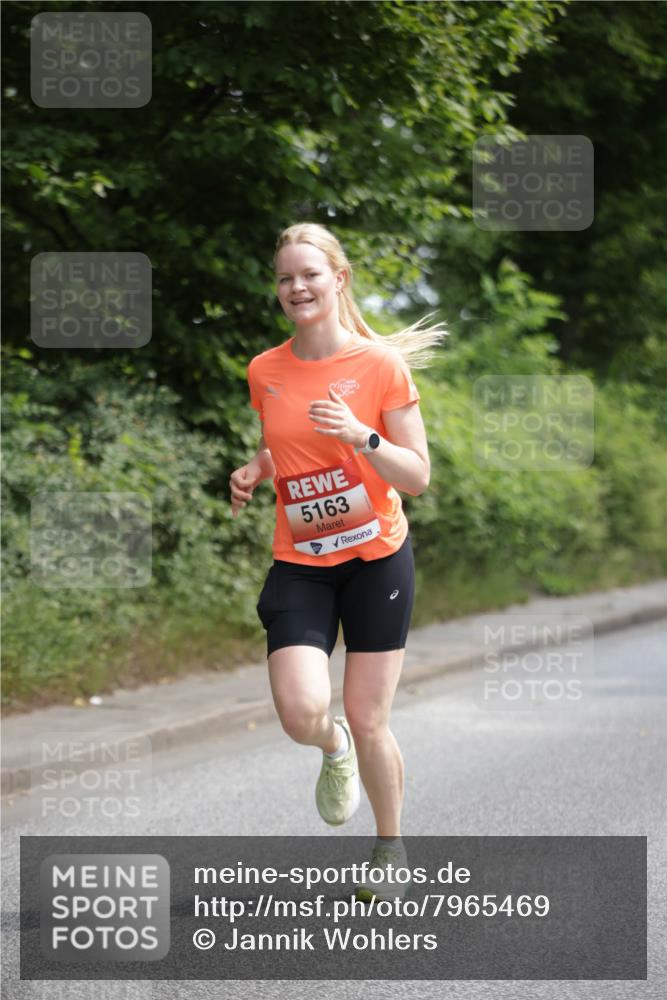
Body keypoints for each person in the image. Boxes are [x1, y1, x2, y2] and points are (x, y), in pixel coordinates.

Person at [229, 222, 447, 902]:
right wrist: (257, 467)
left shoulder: (379, 367)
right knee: (300, 711)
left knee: (371, 713)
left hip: (377, 559)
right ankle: (331, 746)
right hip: (301, 559)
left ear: (338, 280)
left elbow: (415, 475)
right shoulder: (264, 370)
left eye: (309, 275)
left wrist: (363, 436)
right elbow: (287, 439)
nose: (296, 287)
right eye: (286, 278)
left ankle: (388, 849)